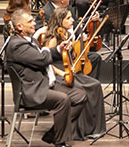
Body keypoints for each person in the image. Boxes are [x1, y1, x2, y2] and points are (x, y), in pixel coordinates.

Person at [6, 10, 85, 147]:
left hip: (43, 83)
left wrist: (59, 49)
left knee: (80, 96)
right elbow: (43, 59)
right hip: (31, 92)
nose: (34, 24)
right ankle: (60, 142)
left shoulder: (31, 40)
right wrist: (48, 50)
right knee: (63, 99)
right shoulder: (17, 45)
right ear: (19, 27)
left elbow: (45, 55)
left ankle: (53, 134)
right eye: (30, 22)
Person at [33, 7, 107, 140]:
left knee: (95, 84)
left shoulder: (66, 35)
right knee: (83, 88)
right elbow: (46, 62)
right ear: (60, 20)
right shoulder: (52, 39)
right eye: (68, 18)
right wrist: (61, 72)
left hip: (69, 72)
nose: (72, 20)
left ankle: (92, 128)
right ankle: (76, 131)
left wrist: (78, 44)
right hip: (58, 75)